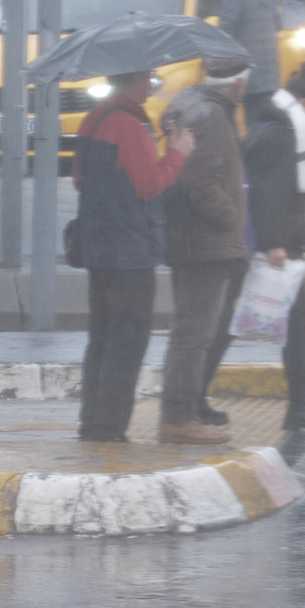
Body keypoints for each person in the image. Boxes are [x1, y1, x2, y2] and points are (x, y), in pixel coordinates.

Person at [70, 72, 196, 443]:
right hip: (131, 251)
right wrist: (177, 153)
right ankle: (109, 427)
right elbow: (149, 184)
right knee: (127, 341)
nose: (153, 84)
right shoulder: (130, 124)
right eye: (149, 78)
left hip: (97, 247)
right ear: (137, 82)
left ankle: (92, 421)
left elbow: (79, 178)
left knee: (101, 337)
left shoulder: (93, 118)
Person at [159, 66, 252, 443]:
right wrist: (232, 220)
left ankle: (187, 409)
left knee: (194, 331)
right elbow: (200, 182)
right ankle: (178, 419)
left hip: (195, 240)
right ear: (237, 82)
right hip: (205, 242)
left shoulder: (198, 107)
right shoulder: (211, 116)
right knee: (193, 333)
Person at [240, 82, 305, 439]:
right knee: (221, 330)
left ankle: (300, 406)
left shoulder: (280, 130)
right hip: (272, 249)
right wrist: (276, 243)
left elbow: (289, 199)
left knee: (295, 326)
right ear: (304, 102)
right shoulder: (280, 136)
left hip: (284, 244)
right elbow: (268, 194)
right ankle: (300, 406)